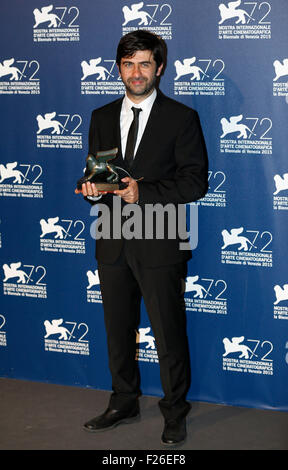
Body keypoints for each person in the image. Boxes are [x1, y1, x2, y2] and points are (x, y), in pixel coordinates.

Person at [75, 30, 208, 446]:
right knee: (117, 328)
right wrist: (91, 188)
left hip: (161, 238)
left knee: (168, 332)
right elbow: (96, 172)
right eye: (128, 64)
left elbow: (195, 182)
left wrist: (143, 192)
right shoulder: (99, 116)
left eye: (144, 63)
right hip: (112, 236)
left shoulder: (182, 118)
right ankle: (123, 400)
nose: (136, 72)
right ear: (119, 68)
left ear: (159, 68)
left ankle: (174, 411)